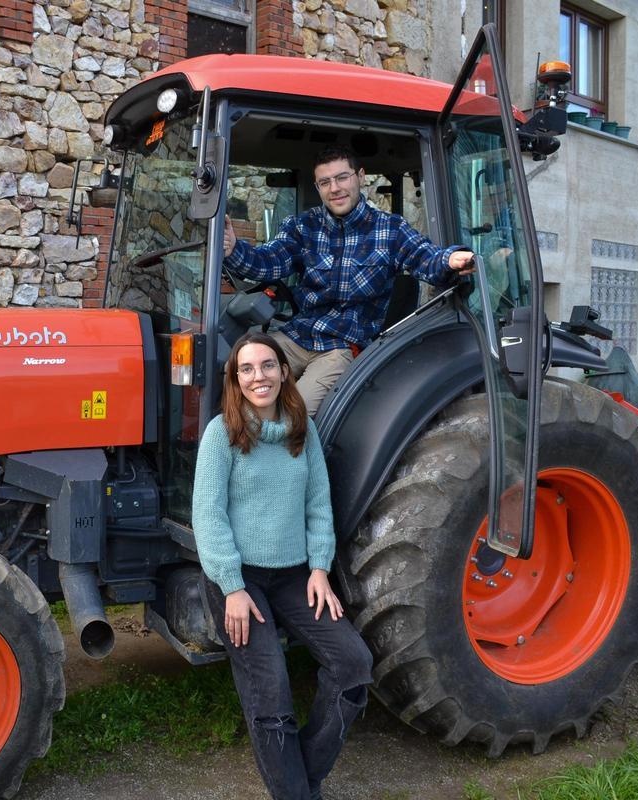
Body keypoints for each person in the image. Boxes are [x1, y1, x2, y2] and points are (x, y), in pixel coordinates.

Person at [192, 330, 374, 800]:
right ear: (235, 379)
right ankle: (297, 793)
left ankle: (303, 775)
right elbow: (208, 517)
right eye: (247, 369)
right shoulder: (222, 434)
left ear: (284, 371)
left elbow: (318, 503)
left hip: (296, 576)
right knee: (270, 690)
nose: (259, 376)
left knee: (354, 664)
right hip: (239, 581)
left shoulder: (301, 429)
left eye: (268, 366)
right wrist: (232, 587)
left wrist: (319, 569)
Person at [223, 145, 477, 415]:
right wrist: (234, 249)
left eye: (342, 177)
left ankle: (288, 455)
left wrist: (450, 259)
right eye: (325, 182)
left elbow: (425, 257)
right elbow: (269, 262)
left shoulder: (389, 230)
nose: (335, 188)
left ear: (360, 177)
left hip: (342, 346)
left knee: (294, 412)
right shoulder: (303, 227)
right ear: (318, 187)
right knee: (232, 375)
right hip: (298, 336)